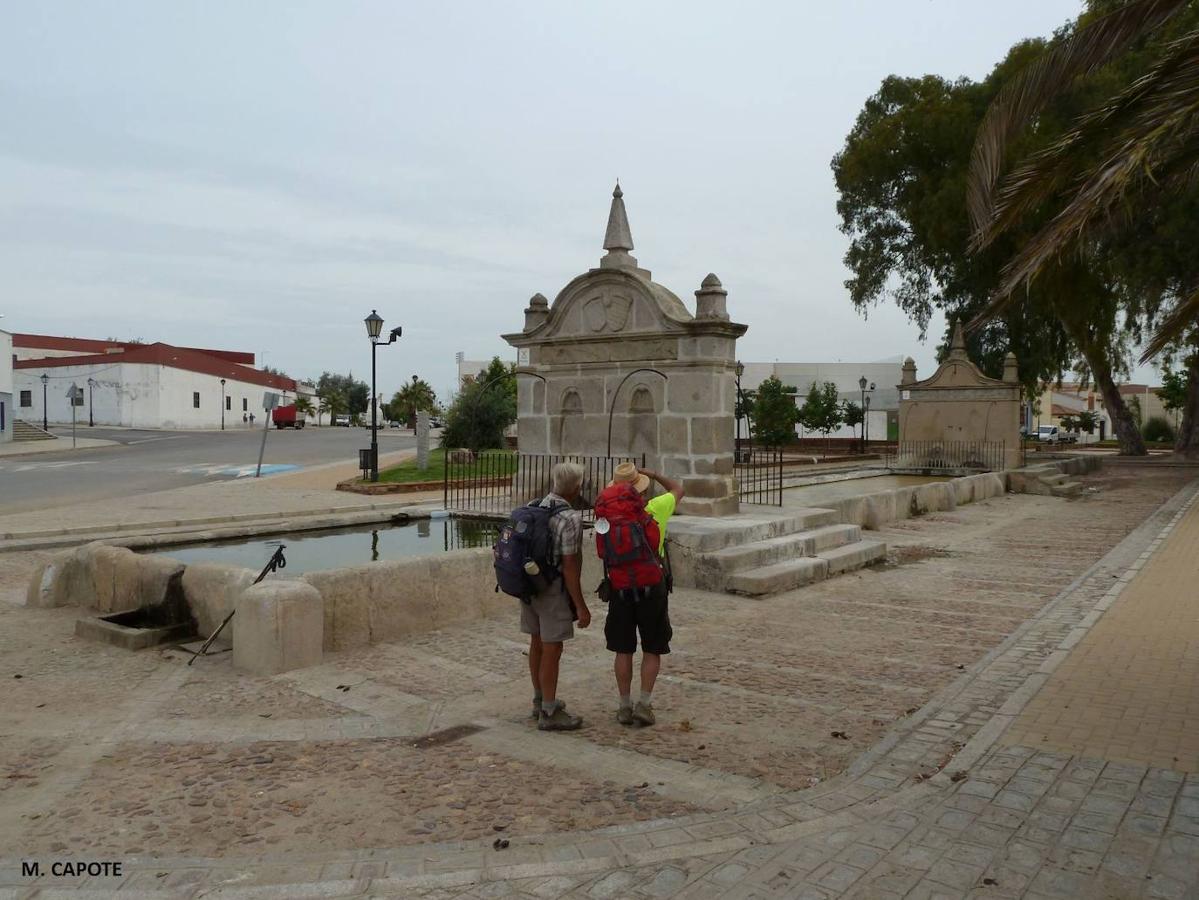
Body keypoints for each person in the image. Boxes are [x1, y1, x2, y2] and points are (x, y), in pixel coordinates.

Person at [604, 462, 684, 726]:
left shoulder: (608, 517)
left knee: (623, 649)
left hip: (620, 588)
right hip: (652, 587)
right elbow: (678, 488)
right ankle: (644, 704)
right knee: (652, 649)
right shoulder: (656, 508)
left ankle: (624, 706)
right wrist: (652, 474)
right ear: (641, 488)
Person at [522, 461, 592, 731]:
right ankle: (550, 712)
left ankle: (540, 700)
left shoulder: (534, 504)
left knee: (537, 642)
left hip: (530, 586)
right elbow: (570, 566)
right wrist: (580, 606)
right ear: (575, 488)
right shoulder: (570, 518)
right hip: (552, 589)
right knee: (553, 648)